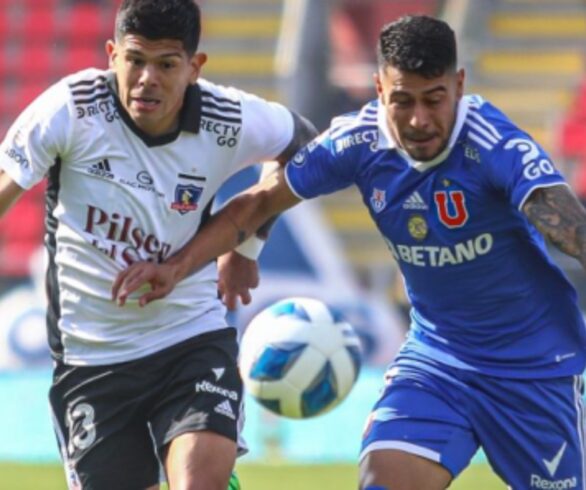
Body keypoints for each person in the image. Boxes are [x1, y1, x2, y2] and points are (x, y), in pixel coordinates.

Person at [112, 15, 586, 490]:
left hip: (534, 365)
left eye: (434, 99)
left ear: (458, 86)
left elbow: (568, 224)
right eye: (402, 100)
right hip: (438, 361)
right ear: (379, 88)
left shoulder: (493, 142)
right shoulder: (360, 141)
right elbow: (264, 197)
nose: (419, 120)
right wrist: (202, 259)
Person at [0, 0, 316, 488]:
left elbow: (305, 147)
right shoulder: (71, 108)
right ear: (112, 55)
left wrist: (248, 244)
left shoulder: (226, 118)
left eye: (166, 64)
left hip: (188, 338)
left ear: (194, 66)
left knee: (198, 481)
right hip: (91, 358)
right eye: (135, 60)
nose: (147, 79)